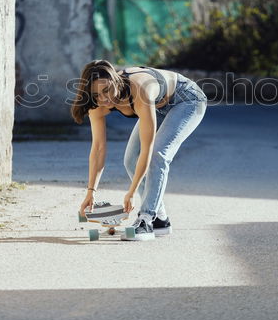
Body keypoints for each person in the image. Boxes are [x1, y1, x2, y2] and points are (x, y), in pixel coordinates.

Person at [70, 59, 208, 240]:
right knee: (130, 160)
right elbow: (98, 148)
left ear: (115, 80)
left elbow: (148, 149)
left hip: (187, 100)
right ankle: (160, 220)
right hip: (158, 106)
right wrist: (91, 191)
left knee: (159, 153)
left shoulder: (140, 90)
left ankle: (146, 219)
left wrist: (132, 192)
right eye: (96, 95)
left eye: (107, 90)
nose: (105, 99)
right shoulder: (96, 105)